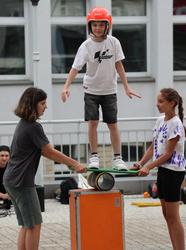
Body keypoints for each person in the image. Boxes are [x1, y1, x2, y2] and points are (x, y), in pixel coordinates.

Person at [3, 87, 86, 250]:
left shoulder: (24, 124)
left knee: (27, 225)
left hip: (12, 180)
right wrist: (75, 164)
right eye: (42, 103)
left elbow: (45, 152)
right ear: (32, 105)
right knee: (34, 224)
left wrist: (70, 164)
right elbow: (48, 151)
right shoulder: (33, 127)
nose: (45, 107)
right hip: (21, 182)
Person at [61, 7, 141, 170]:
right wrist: (66, 87)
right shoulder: (86, 46)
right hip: (91, 90)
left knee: (113, 124)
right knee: (93, 123)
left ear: (107, 26)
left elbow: (119, 65)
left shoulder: (113, 42)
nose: (97, 28)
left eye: (101, 25)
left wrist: (126, 87)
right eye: (94, 25)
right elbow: (75, 68)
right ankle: (94, 157)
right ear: (90, 26)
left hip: (110, 90)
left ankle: (118, 159)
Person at [131, 88, 186, 250]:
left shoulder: (176, 124)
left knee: (173, 217)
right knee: (167, 215)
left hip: (173, 171)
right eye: (157, 101)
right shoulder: (160, 120)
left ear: (172, 103)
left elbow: (168, 154)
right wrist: (141, 163)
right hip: (163, 170)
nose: (157, 104)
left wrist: (149, 166)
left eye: (161, 101)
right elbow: (153, 147)